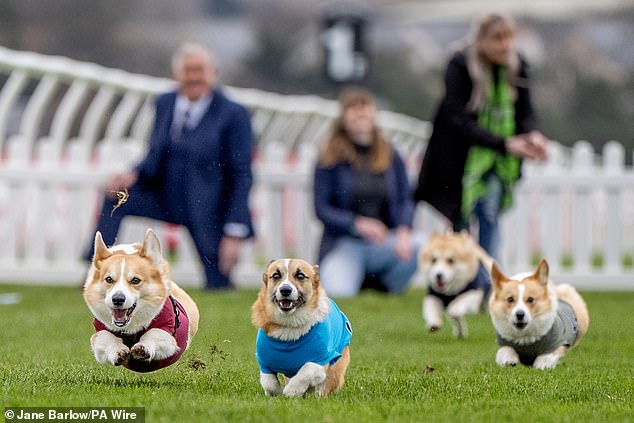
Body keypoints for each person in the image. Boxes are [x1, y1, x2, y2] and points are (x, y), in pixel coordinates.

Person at [85, 42, 254, 290]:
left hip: (208, 208)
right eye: (188, 70)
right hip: (163, 197)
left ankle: (217, 281)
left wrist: (234, 232)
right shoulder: (165, 102)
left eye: (200, 70)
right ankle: (98, 272)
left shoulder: (234, 113)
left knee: (219, 283)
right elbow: (156, 152)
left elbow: (242, 174)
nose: (194, 77)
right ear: (176, 74)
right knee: (116, 197)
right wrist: (132, 174)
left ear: (213, 73)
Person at [414, 13, 549, 260]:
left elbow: (525, 111)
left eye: (509, 37)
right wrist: (505, 144)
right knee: (460, 218)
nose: (505, 45)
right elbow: (457, 119)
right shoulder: (460, 64)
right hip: (458, 157)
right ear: (481, 40)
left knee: (489, 212)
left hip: (497, 160)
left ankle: (488, 277)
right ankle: (461, 277)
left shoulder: (518, 65)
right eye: (498, 38)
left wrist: (533, 136)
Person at [313, 87, 424, 298]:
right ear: (343, 117)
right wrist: (358, 224)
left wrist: (403, 230)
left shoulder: (390, 155)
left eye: (365, 108)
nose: (361, 115)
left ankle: (385, 286)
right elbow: (322, 208)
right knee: (338, 292)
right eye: (354, 110)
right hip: (345, 243)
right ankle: (355, 279)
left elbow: (404, 199)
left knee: (421, 247)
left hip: (384, 242)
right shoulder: (329, 157)